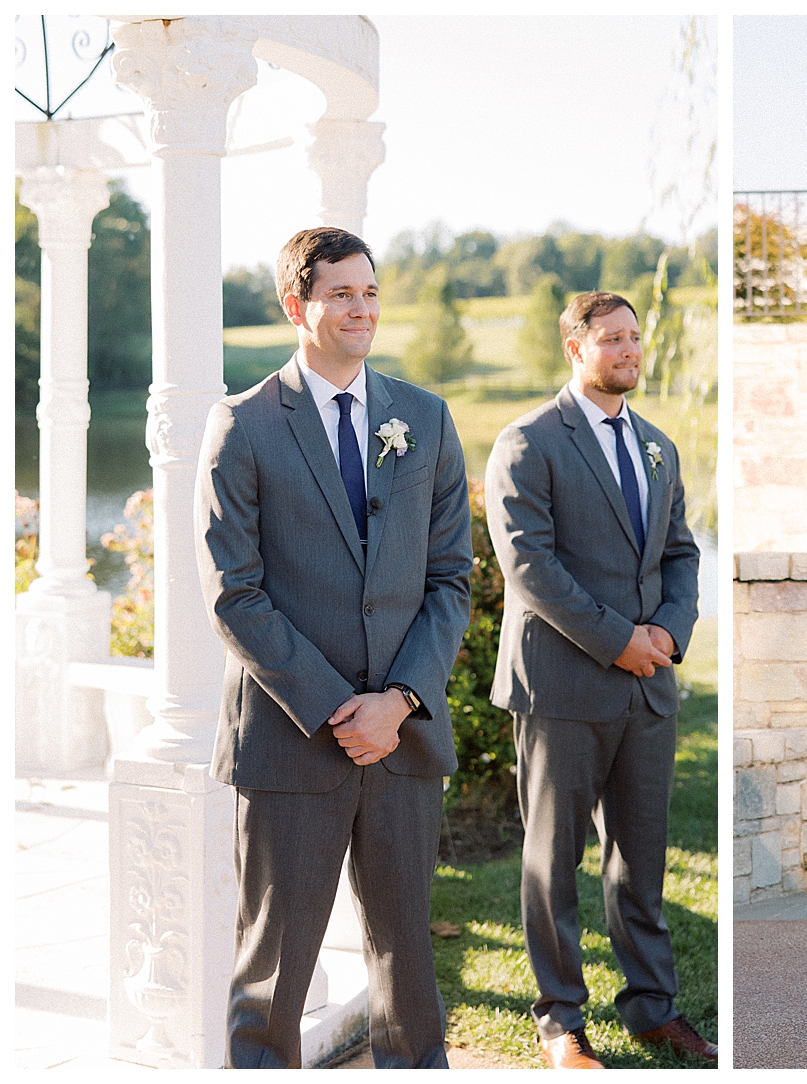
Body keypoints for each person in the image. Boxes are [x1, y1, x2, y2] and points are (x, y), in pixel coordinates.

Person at [196, 227, 473, 1068]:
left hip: (402, 737)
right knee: (274, 974)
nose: (362, 309)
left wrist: (398, 704)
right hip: (288, 742)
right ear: (297, 307)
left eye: (371, 292)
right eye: (341, 294)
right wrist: (335, 709)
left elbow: (451, 578)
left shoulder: (423, 417)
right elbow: (233, 593)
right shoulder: (241, 425)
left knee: (409, 967)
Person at [485, 291, 714, 1069]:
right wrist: (619, 640)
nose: (630, 351)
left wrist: (671, 633)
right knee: (554, 861)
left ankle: (653, 1009)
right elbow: (530, 568)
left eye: (636, 338)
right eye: (613, 339)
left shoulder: (658, 446)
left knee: (640, 858)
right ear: (575, 348)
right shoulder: (528, 443)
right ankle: (560, 1023)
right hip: (562, 687)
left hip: (648, 686)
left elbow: (681, 553)